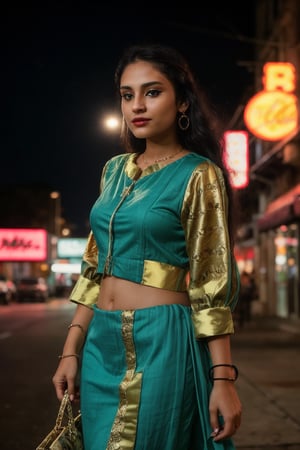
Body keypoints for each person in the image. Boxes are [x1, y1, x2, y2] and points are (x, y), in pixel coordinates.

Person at [52, 43, 242, 450]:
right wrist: (71, 351)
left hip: (162, 343)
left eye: (152, 92)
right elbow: (93, 267)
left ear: (182, 104)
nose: (137, 105)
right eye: (127, 95)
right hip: (101, 346)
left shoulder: (199, 174)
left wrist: (222, 379)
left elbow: (211, 280)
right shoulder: (114, 170)